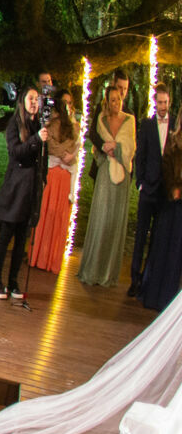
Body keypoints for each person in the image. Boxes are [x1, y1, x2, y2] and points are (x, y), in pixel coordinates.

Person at [80, 71, 136, 289]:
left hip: (122, 174)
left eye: (122, 92)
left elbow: (131, 145)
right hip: (103, 169)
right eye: (116, 92)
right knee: (101, 217)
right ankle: (93, 267)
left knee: (115, 220)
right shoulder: (101, 116)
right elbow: (92, 133)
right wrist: (104, 147)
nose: (119, 97)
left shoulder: (130, 117)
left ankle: (107, 271)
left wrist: (118, 149)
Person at [0, 87, 44, 301]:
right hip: (16, 187)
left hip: (31, 189)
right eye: (31, 98)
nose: (34, 102)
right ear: (22, 101)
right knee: (7, 234)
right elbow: (15, 151)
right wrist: (35, 139)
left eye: (37, 99)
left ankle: (13, 280)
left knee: (22, 239)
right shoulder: (15, 124)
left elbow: (42, 156)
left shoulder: (38, 124)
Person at [29, 90, 81, 273]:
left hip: (57, 175)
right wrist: (67, 155)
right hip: (59, 174)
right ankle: (47, 259)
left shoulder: (65, 127)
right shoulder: (67, 127)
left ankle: (43, 258)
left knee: (51, 215)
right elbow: (66, 149)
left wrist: (66, 154)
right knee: (52, 215)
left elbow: (63, 147)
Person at [132, 86, 176, 297]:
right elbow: (140, 155)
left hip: (165, 191)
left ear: (170, 102)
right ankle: (134, 278)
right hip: (147, 188)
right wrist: (139, 181)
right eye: (160, 102)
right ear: (155, 102)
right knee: (140, 234)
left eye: (166, 102)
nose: (163, 107)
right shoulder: (147, 125)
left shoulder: (176, 124)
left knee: (158, 238)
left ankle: (149, 279)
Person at [141, 131, 182, 311]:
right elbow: (165, 167)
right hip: (170, 203)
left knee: (176, 253)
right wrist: (173, 188)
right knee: (162, 247)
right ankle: (153, 296)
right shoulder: (173, 140)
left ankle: (168, 299)